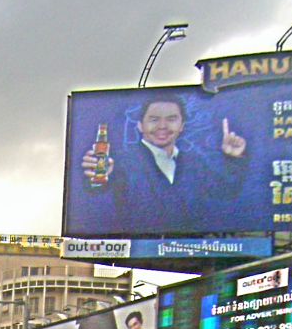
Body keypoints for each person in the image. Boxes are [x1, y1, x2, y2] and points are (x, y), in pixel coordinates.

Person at [81, 96, 248, 233]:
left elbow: (226, 191)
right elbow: (98, 192)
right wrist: (97, 177)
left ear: (182, 126)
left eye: (171, 119)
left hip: (191, 249)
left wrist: (234, 158)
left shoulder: (194, 163)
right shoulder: (120, 161)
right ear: (140, 125)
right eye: (154, 119)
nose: (162, 126)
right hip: (138, 248)